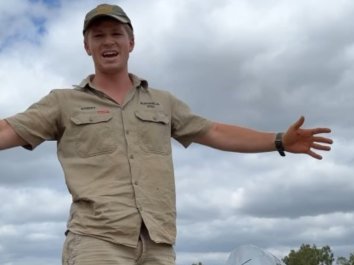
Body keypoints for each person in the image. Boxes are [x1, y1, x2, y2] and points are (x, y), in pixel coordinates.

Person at [0, 3, 333, 265]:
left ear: (131, 42)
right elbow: (8, 130)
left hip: (159, 244)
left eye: (116, 33)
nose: (108, 42)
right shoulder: (63, 102)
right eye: (98, 35)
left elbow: (214, 131)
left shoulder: (163, 102)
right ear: (86, 46)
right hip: (96, 241)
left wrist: (278, 140)